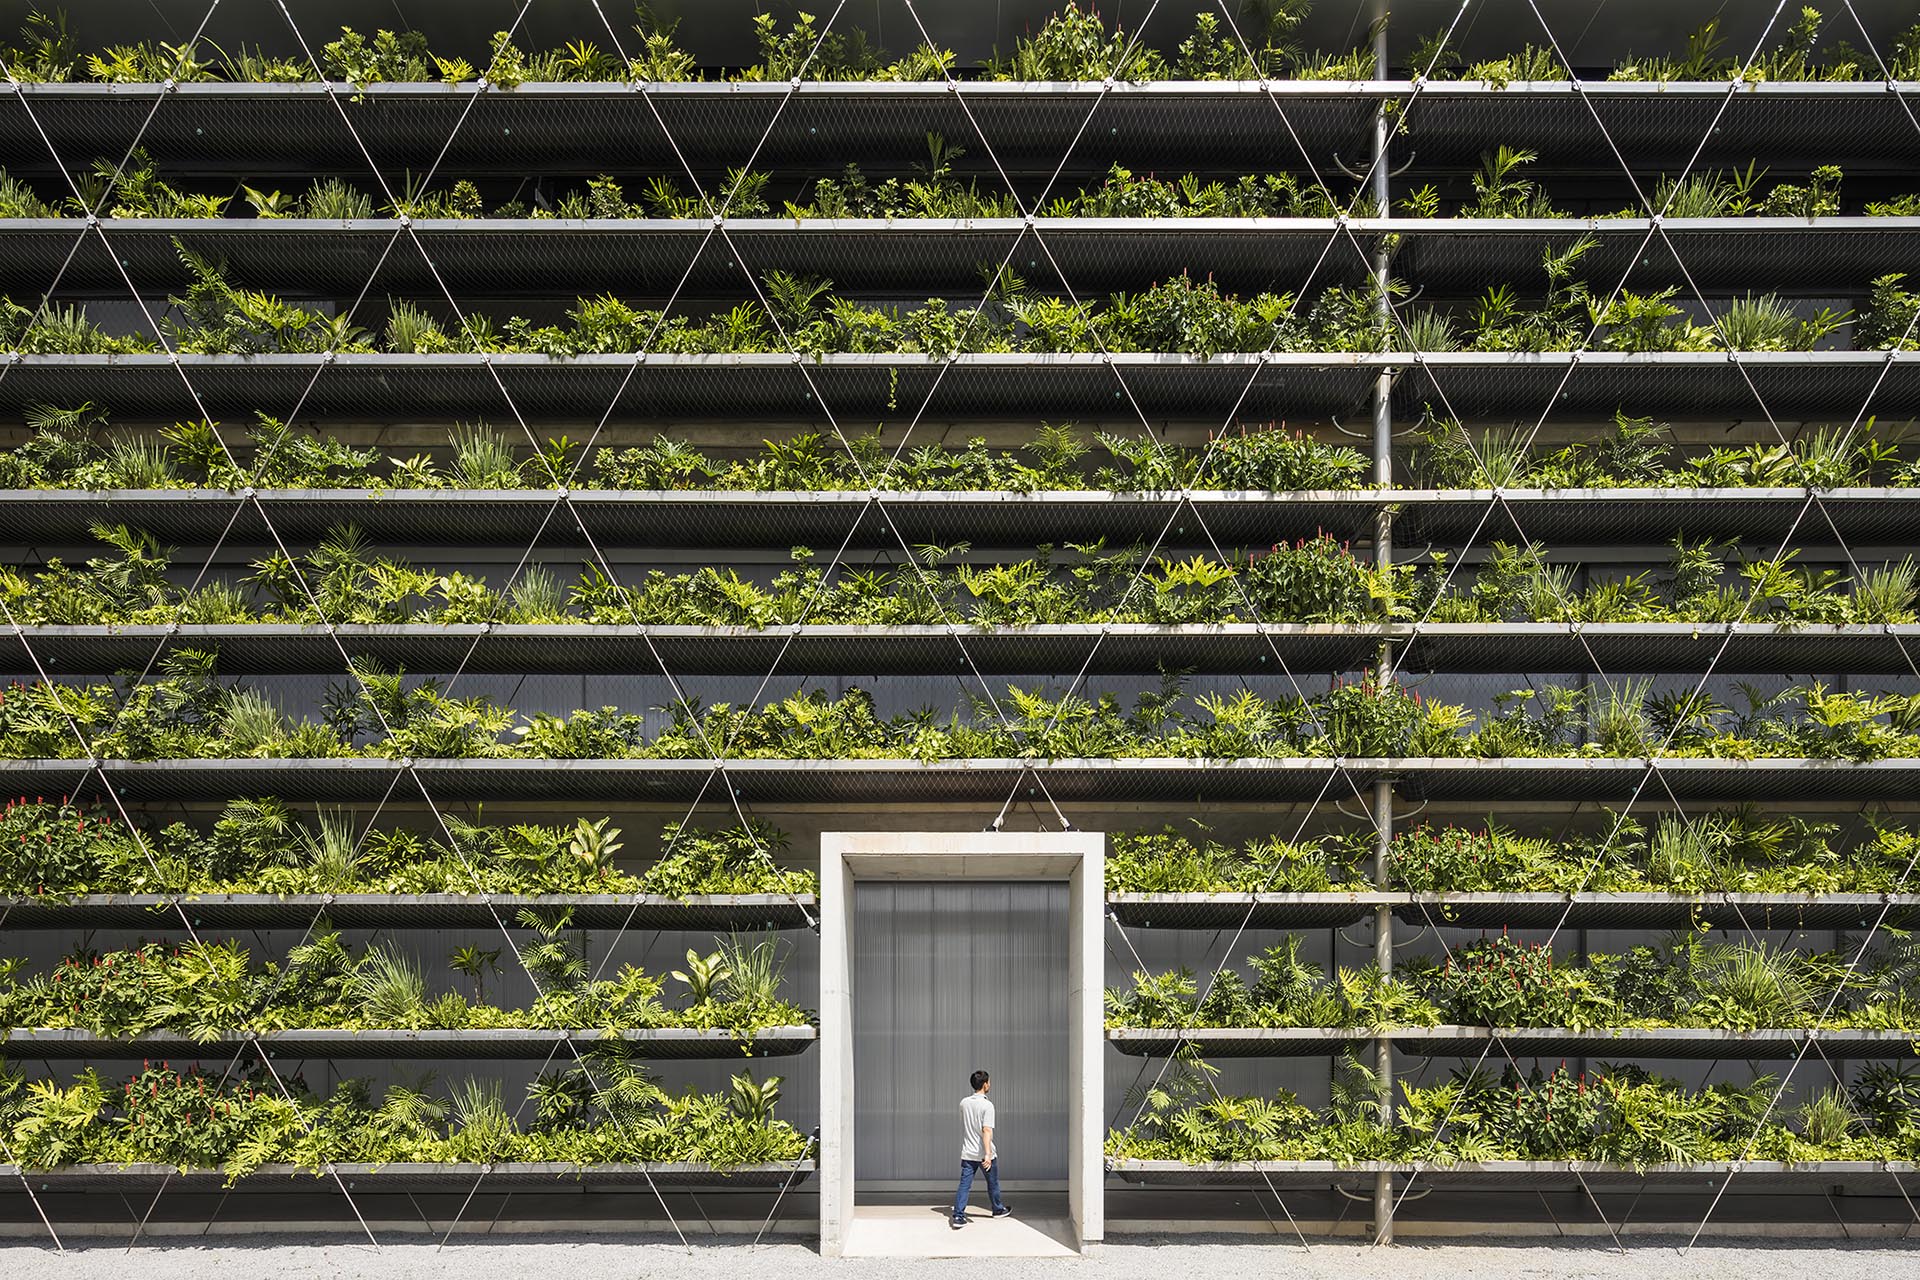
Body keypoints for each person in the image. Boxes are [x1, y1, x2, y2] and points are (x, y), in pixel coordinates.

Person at [951, 1068, 1012, 1228]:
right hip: (985, 1154)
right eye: (989, 1082)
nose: (989, 1084)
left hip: (968, 1153)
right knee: (993, 1183)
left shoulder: (964, 1103)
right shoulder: (987, 1105)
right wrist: (987, 1154)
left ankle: (958, 1216)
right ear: (985, 1085)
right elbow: (986, 1130)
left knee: (964, 1185)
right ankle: (998, 1210)